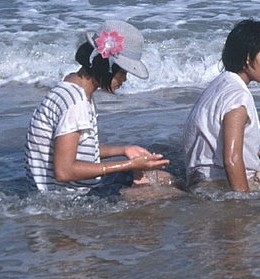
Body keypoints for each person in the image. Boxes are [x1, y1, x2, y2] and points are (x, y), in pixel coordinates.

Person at [26, 20, 172, 194]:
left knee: (164, 179)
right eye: (122, 72)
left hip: (67, 189)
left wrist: (124, 150)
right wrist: (130, 165)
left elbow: (77, 151)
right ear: (106, 67)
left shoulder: (69, 89)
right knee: (166, 192)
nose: (125, 79)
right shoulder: (76, 103)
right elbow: (64, 172)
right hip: (70, 196)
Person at [182, 19, 260, 192]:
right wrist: (243, 201)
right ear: (248, 58)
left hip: (201, 178)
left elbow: (216, 142)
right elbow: (231, 160)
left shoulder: (220, 84)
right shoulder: (237, 97)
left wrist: (259, 152)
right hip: (219, 184)